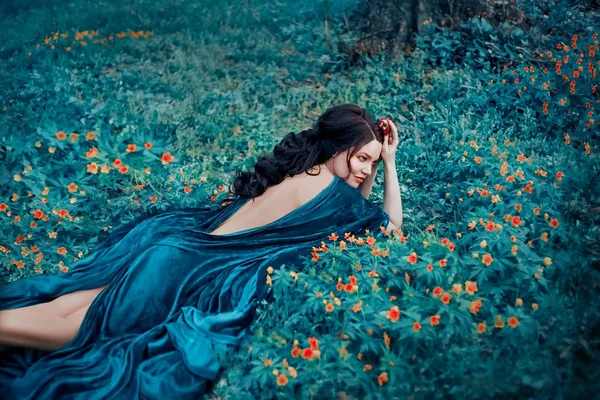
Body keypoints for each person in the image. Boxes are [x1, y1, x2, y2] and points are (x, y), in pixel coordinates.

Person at [0, 103, 403, 399]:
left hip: (171, 249)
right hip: (183, 269)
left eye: (371, 162)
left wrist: (371, 161)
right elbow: (388, 227)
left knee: (64, 309)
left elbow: (356, 214)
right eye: (361, 159)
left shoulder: (306, 172)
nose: (366, 170)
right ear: (337, 150)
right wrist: (391, 163)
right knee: (84, 332)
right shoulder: (331, 194)